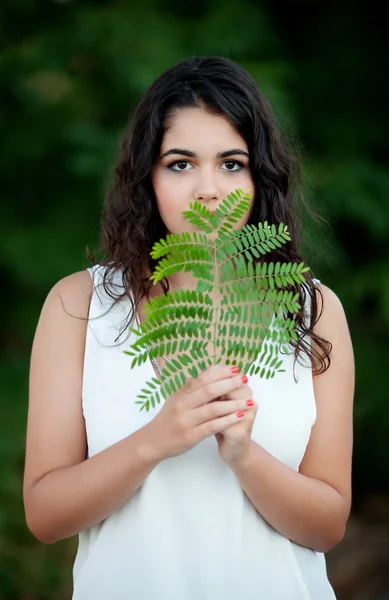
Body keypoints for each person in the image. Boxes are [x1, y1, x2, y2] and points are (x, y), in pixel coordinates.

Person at [23, 56, 355, 599]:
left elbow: (328, 525)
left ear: (259, 174)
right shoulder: (79, 305)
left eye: (231, 163)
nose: (208, 190)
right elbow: (44, 515)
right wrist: (158, 439)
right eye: (180, 163)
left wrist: (245, 455)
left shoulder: (312, 310)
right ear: (146, 177)